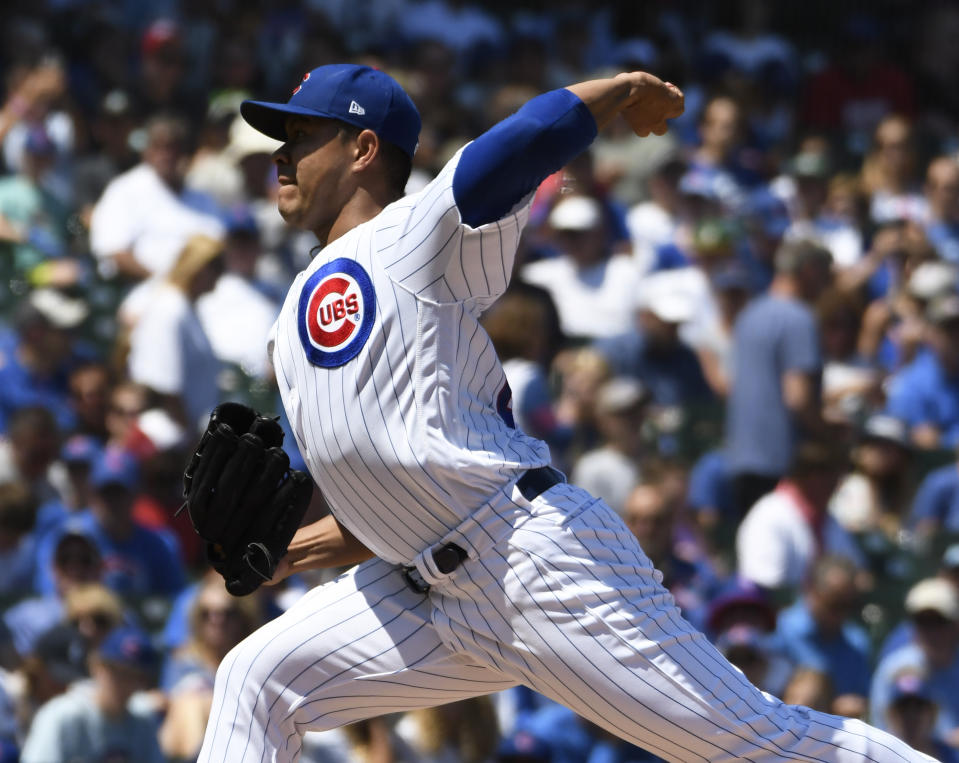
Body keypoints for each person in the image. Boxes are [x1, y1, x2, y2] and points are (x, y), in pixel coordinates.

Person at [197, 63, 933, 762]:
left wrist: (619, 89)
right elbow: (397, 487)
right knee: (256, 678)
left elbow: (524, 140)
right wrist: (292, 550)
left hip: (527, 558)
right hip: (423, 591)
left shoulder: (411, 237)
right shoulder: (292, 310)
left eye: (299, 138)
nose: (280, 157)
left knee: (746, 742)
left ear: (362, 148)